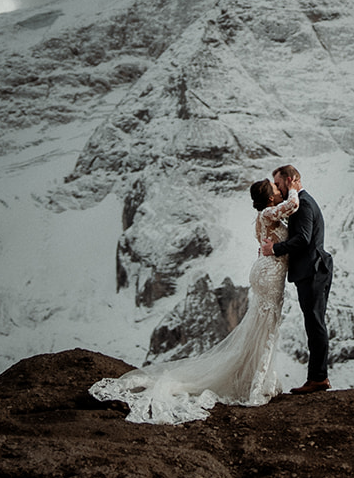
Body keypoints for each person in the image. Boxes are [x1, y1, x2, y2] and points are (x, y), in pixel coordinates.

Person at [89, 178, 298, 424]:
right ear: (271, 199)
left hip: (266, 269)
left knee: (262, 324)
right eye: (276, 189)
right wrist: (294, 184)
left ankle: (257, 377)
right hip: (269, 272)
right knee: (268, 324)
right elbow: (293, 204)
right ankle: (258, 382)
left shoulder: (262, 217)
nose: (279, 190)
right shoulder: (268, 213)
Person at [261, 165, 333, 394]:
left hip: (312, 270)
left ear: (290, 180)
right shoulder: (302, 202)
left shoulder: (303, 205)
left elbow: (302, 238)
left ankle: (318, 378)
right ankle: (317, 377)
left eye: (280, 184)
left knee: (315, 323)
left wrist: (275, 249)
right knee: (314, 322)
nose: (279, 190)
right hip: (312, 269)